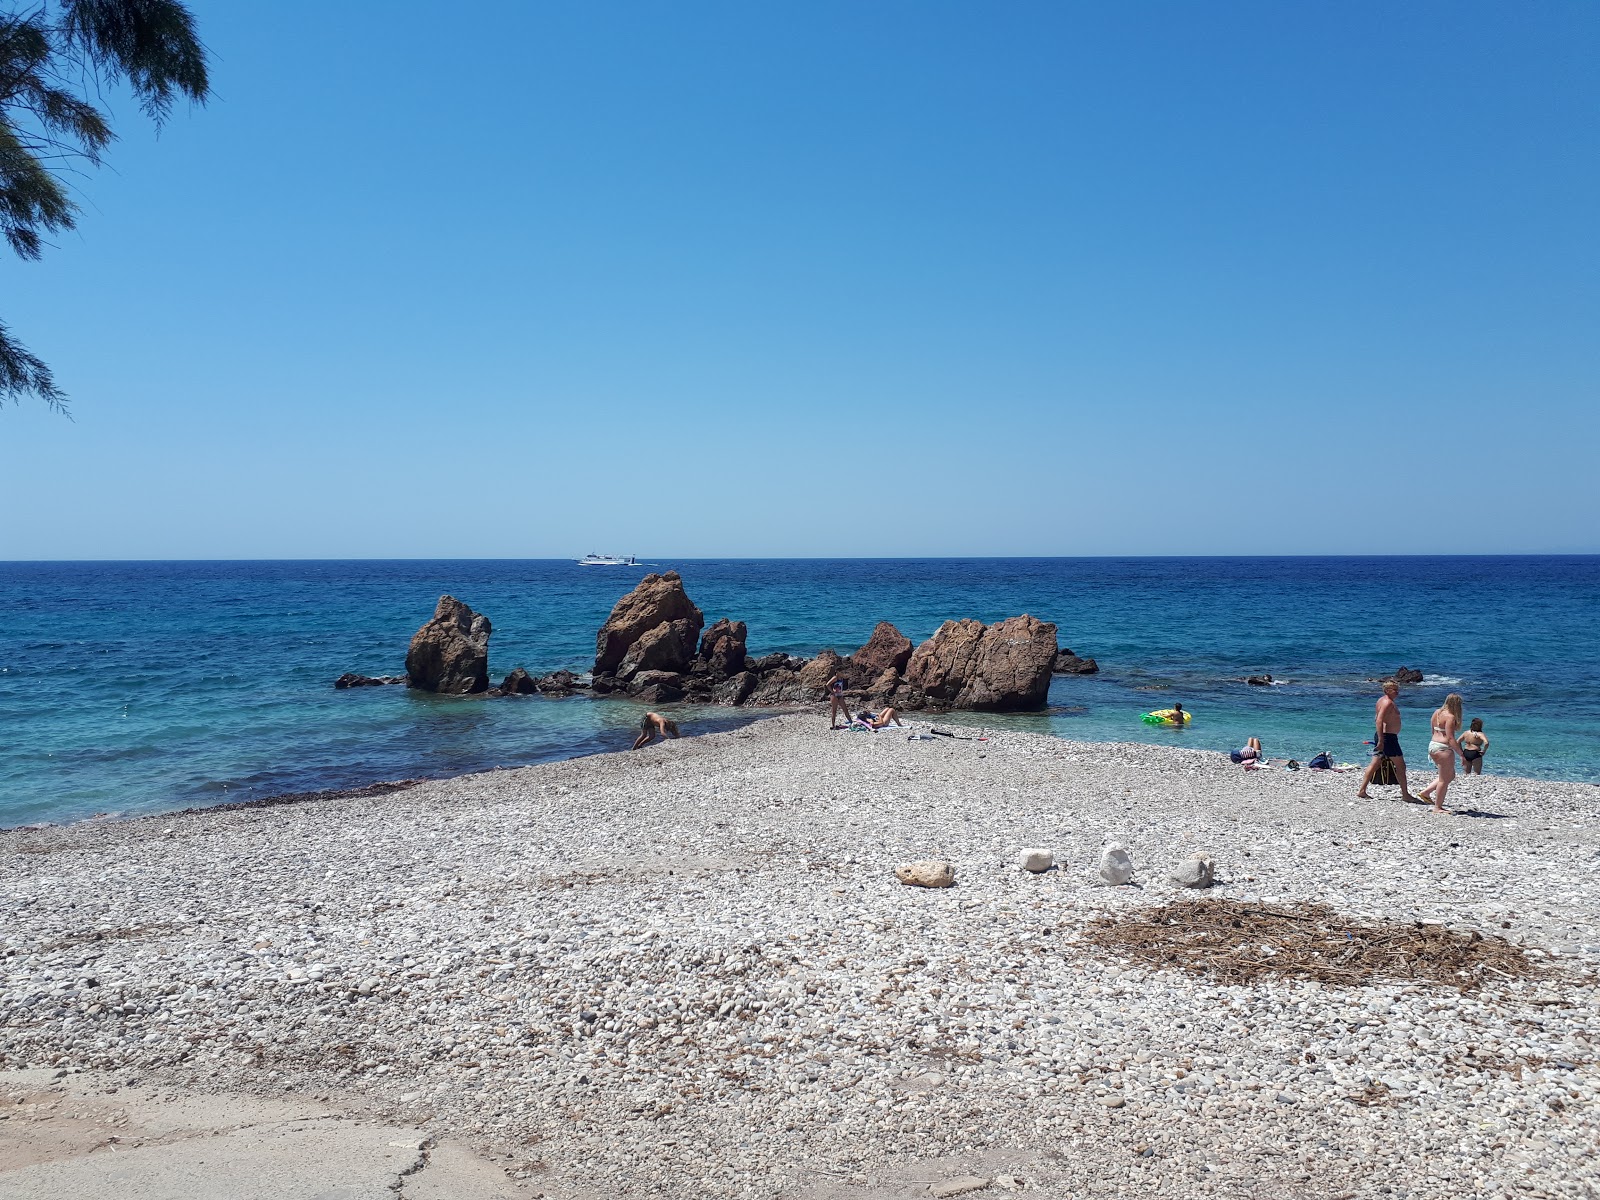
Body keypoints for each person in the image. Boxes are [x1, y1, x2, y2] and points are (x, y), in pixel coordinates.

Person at [1356, 680, 1417, 802]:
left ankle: (1362, 791)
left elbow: (1377, 718)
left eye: (1397, 689)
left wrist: (1380, 737)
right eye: (1395, 690)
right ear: (1387, 691)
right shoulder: (1387, 703)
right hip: (1388, 738)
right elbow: (1379, 720)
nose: (1397, 692)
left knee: (1375, 763)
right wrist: (1381, 740)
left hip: (1384, 736)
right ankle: (1405, 795)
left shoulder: (1381, 700)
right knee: (1400, 765)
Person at [1418, 693, 1465, 813]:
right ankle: (1437, 807)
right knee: (1444, 780)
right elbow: (1450, 738)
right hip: (1443, 748)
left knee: (1450, 775)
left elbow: (1432, 730)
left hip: (1433, 745)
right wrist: (1461, 754)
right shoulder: (1450, 717)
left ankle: (1426, 792)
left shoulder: (1437, 712)